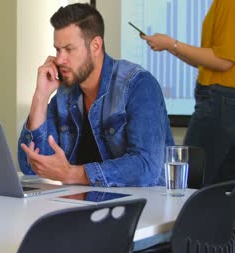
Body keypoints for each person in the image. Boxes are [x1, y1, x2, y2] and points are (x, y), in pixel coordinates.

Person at [17, 3, 174, 187]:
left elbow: (146, 167)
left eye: (69, 49)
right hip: (83, 204)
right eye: (58, 49)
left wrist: (73, 174)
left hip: (145, 206)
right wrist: (41, 96)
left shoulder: (138, 84)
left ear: (96, 45)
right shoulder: (65, 92)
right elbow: (30, 166)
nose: (59, 59)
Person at [141, 0, 234, 185]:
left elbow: (223, 61)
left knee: (189, 181)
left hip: (221, 100)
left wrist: (171, 43)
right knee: (221, 182)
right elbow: (209, 62)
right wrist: (169, 46)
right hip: (222, 100)